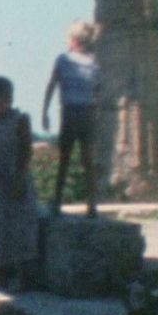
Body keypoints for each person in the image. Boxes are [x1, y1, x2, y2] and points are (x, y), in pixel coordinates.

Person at [0, 76, 39, 291]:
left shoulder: (20, 120)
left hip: (17, 179)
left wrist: (20, 180)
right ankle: (1, 272)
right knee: (0, 228)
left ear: (8, 99)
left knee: (21, 229)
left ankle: (23, 277)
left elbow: (26, 152)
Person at [41, 19, 101, 217]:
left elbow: (51, 85)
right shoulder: (95, 62)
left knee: (64, 159)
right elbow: (98, 91)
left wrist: (45, 112)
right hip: (88, 113)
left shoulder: (63, 60)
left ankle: (56, 201)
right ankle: (92, 204)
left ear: (74, 39)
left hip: (70, 113)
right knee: (88, 161)